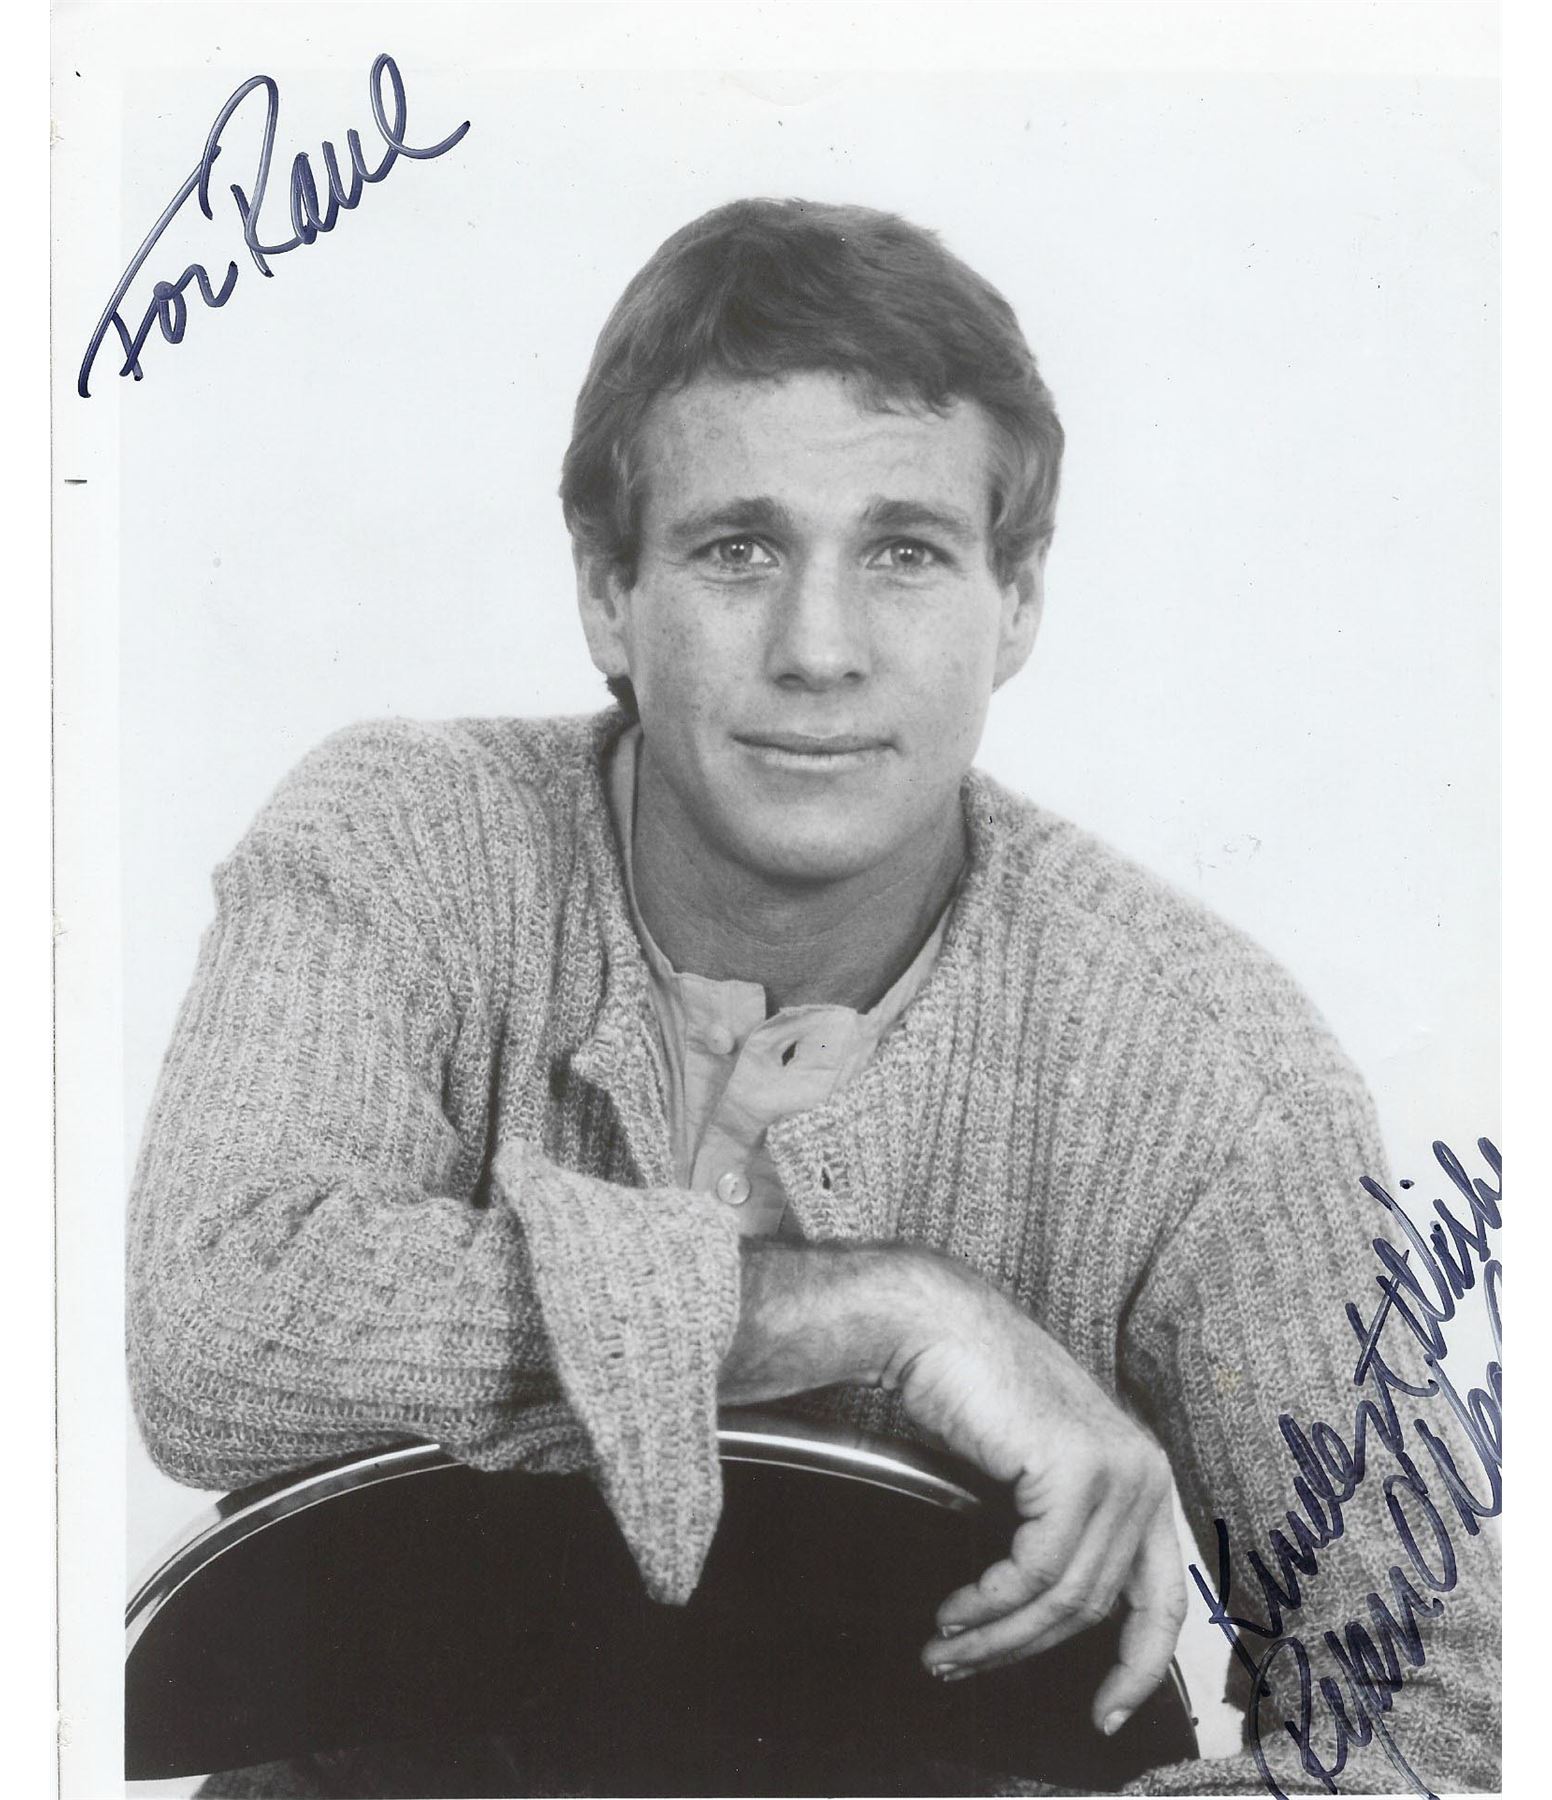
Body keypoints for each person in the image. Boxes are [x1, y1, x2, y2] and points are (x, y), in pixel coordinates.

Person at [127, 198, 1500, 1797]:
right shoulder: (404, 844)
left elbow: (1450, 1711)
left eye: (905, 552)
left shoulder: (1205, 1068)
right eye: (739, 549)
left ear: (1020, 599)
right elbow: (210, 1335)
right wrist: (889, 1310)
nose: (820, 647)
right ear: (607, 591)